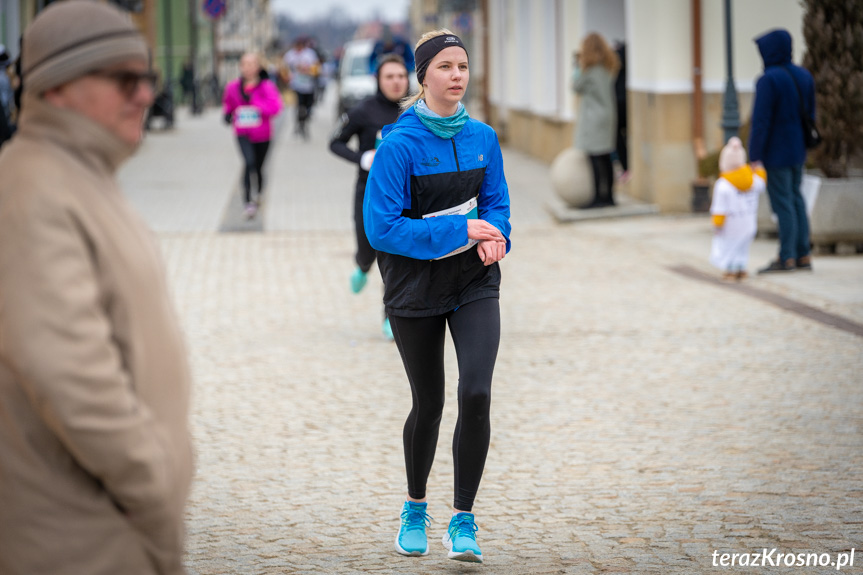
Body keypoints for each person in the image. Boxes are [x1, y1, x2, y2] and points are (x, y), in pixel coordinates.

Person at [0, 2, 194, 573]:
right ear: (58, 87)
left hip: (108, 528)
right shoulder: (31, 191)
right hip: (78, 537)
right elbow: (72, 381)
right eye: (122, 78)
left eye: (147, 77)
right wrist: (156, 494)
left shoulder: (83, 176)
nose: (143, 94)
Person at [364, 28, 511, 564]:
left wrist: (497, 238)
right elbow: (382, 229)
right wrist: (462, 232)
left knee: (476, 392)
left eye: (463, 66)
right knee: (429, 404)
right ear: (423, 75)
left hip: (473, 283)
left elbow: (497, 205)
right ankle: (414, 507)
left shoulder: (483, 138)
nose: (457, 76)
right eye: (446, 67)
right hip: (414, 288)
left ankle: (464, 520)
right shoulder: (397, 146)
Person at [329, 54, 409, 339]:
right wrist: (361, 158)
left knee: (394, 258)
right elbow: (334, 142)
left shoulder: (417, 110)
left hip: (406, 196)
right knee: (368, 251)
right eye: (390, 76)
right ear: (378, 80)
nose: (397, 82)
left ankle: (390, 316)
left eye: (401, 75)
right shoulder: (363, 111)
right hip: (370, 194)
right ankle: (362, 266)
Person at [748, 28, 816, 274]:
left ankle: (786, 256)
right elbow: (811, 114)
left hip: (776, 152)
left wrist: (754, 155)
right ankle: (803, 254)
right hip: (798, 149)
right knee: (796, 199)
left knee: (783, 203)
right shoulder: (803, 76)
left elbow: (761, 121)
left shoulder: (769, 80)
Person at [223, 52, 283, 218]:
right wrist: (228, 114)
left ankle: (259, 193)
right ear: (240, 67)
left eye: (251, 64)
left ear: (258, 67)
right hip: (243, 133)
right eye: (245, 64)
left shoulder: (267, 86)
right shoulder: (233, 87)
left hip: (263, 134)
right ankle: (248, 201)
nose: (248, 68)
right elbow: (228, 105)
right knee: (248, 163)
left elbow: (276, 108)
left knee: (258, 166)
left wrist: (257, 105)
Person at [572, 32, 619, 209]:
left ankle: (598, 197)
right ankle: (610, 197)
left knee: (594, 158)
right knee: (606, 157)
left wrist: (576, 66)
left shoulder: (590, 71)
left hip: (593, 118)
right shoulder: (608, 67)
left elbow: (576, 86)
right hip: (607, 116)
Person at [709, 137, 766, 281]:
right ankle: (742, 268)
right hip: (748, 221)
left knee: (730, 246)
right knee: (743, 246)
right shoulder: (752, 180)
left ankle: (731, 269)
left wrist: (717, 223)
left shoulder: (722, 184)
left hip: (731, 223)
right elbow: (762, 183)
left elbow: (719, 208)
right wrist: (758, 169)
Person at [283, 37, 320, 139]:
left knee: (308, 105)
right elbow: (284, 68)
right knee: (299, 106)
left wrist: (307, 70)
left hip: (308, 84)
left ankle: (304, 122)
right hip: (296, 85)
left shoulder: (310, 54)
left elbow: (316, 67)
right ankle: (299, 125)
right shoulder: (290, 55)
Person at [613, 41, 629, 183]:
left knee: (617, 137)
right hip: (625, 104)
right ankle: (627, 167)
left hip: (619, 105)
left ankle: (626, 167)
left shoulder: (615, 68)